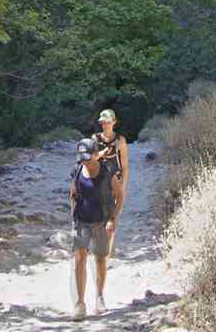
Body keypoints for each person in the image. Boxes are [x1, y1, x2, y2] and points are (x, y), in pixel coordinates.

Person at [69, 137, 118, 321]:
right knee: (80, 259)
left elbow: (118, 195)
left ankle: (99, 296)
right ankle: (80, 303)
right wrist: (74, 217)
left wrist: (112, 219)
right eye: (82, 157)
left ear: (97, 155)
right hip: (82, 221)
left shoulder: (107, 171)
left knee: (100, 260)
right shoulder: (77, 170)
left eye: (88, 157)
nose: (85, 161)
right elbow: (72, 194)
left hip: (101, 222)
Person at [93, 108, 129, 229]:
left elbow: (124, 167)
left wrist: (123, 185)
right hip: (97, 182)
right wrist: (101, 154)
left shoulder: (120, 141)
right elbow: (89, 160)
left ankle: (109, 246)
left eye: (108, 122)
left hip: (115, 181)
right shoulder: (95, 139)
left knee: (112, 217)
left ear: (114, 122)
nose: (105, 125)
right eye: (103, 122)